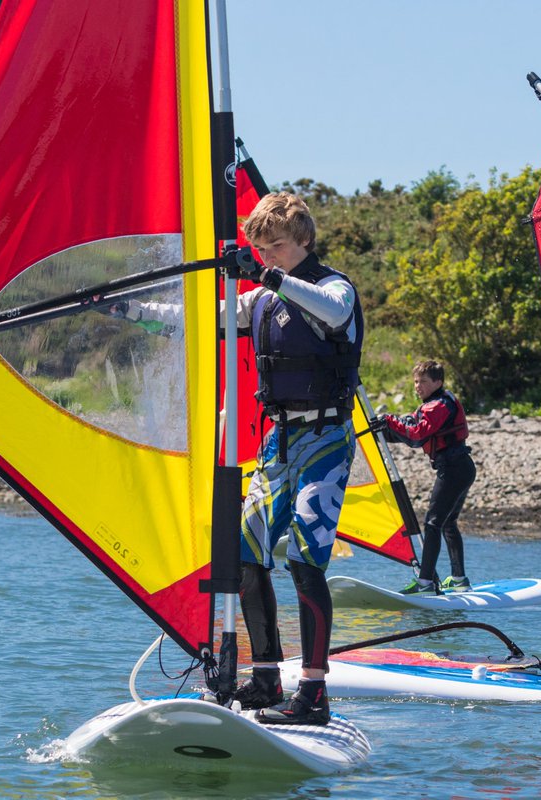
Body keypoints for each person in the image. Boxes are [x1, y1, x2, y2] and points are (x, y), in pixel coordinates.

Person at [115, 192, 362, 726]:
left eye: (276, 247)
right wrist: (128, 309)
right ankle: (268, 675)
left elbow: (335, 314)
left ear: (304, 240)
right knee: (244, 554)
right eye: (262, 249)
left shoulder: (333, 288)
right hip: (279, 443)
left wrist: (267, 276)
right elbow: (196, 320)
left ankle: (314, 694)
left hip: (327, 443)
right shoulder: (263, 304)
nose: (268, 256)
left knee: (303, 559)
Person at [377, 360, 476, 594]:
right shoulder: (432, 404)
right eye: (415, 381)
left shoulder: (439, 406)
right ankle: (459, 578)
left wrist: (389, 421)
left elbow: (417, 436)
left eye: (423, 381)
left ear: (438, 382)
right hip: (459, 468)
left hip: (454, 469)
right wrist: (383, 429)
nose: (417, 386)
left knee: (433, 523)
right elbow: (409, 427)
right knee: (447, 523)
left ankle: (426, 583)